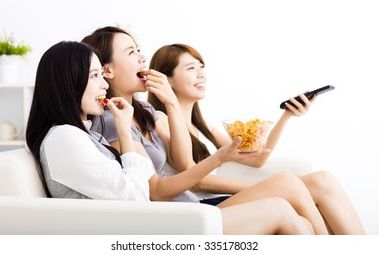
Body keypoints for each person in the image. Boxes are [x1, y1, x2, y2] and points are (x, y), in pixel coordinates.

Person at [25, 40, 313, 235]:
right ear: (68, 83)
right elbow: (138, 197)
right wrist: (127, 131)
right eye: (95, 76)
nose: (104, 84)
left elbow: (135, 190)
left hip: (160, 218)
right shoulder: (65, 137)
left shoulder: (85, 133)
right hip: (153, 226)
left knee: (288, 203)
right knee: (281, 207)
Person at [147, 43, 366, 235]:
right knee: (287, 182)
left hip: (220, 200)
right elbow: (194, 178)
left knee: (323, 180)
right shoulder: (162, 119)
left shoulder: (204, 128)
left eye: (201, 66)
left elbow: (256, 159)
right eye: (191, 68)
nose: (201, 74)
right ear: (168, 81)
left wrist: (287, 115)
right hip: (201, 206)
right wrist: (256, 186)